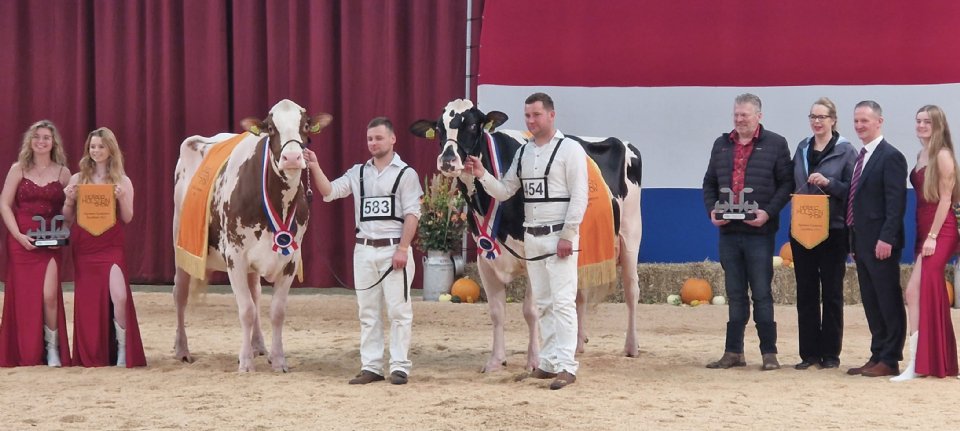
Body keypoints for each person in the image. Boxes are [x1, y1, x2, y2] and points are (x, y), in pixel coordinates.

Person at [463, 92, 588, 390]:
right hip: (532, 236)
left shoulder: (570, 149)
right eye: (527, 116)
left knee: (563, 302)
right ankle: (548, 362)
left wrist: (568, 234)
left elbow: (580, 195)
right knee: (543, 303)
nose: (531, 121)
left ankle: (567, 366)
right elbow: (505, 191)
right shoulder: (524, 153)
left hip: (559, 236)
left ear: (551, 115)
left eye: (537, 115)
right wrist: (482, 174)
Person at [304, 117, 422, 385]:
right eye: (370, 139)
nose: (373, 143)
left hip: (393, 248)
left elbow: (412, 214)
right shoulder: (358, 173)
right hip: (364, 250)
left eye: (378, 138)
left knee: (399, 311)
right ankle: (372, 366)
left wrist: (403, 248)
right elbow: (330, 191)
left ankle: (399, 366)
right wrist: (315, 165)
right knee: (367, 312)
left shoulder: (406, 174)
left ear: (392, 139)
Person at [702, 93, 792, 371]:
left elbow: (786, 184)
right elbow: (709, 183)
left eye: (745, 115)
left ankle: (769, 353)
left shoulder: (776, 144)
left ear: (758, 116)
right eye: (736, 115)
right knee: (735, 292)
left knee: (762, 292)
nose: (739, 120)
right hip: (729, 233)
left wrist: (768, 213)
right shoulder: (721, 145)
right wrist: (712, 211)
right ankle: (733, 352)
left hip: (759, 234)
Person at [62, 127, 146, 368]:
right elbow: (67, 217)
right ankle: (94, 350)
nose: (96, 151)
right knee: (88, 301)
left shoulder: (123, 181)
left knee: (119, 296)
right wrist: (69, 199)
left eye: (101, 146)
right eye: (92, 147)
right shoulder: (77, 179)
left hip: (111, 245)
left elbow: (128, 217)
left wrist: (121, 197)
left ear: (111, 149)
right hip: (85, 246)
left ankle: (122, 349)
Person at [891, 105, 959, 381]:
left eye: (927, 122)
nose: (920, 125)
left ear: (938, 125)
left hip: (940, 230)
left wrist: (932, 237)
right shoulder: (921, 154)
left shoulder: (943, 155)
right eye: (918, 121)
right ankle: (933, 362)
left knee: (913, 292)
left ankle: (917, 363)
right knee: (928, 293)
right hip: (924, 228)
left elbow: (946, 199)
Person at [789, 97, 857, 370]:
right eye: (813, 117)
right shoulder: (802, 147)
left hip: (833, 229)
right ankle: (809, 354)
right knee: (805, 292)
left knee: (831, 293)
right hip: (803, 228)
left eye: (822, 117)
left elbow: (854, 190)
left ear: (833, 120)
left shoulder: (846, 151)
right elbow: (791, 181)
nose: (817, 122)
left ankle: (830, 354)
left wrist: (829, 183)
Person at [0, 120, 73, 367]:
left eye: (46, 138)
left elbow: (71, 209)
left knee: (49, 295)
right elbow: (4, 204)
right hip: (21, 241)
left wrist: (63, 233)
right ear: (30, 141)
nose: (41, 141)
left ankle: (52, 348)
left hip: (50, 243)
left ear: (54, 143)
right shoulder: (18, 169)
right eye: (37, 137)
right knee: (24, 298)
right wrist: (18, 236)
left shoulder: (63, 173)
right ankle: (27, 351)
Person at [845, 100, 908, 378]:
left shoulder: (891, 156)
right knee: (871, 301)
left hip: (881, 243)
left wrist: (887, 238)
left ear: (879, 122)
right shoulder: (861, 157)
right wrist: (853, 242)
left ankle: (891, 358)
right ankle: (877, 353)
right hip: (861, 242)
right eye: (856, 121)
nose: (859, 126)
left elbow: (896, 203)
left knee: (887, 300)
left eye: (865, 121)